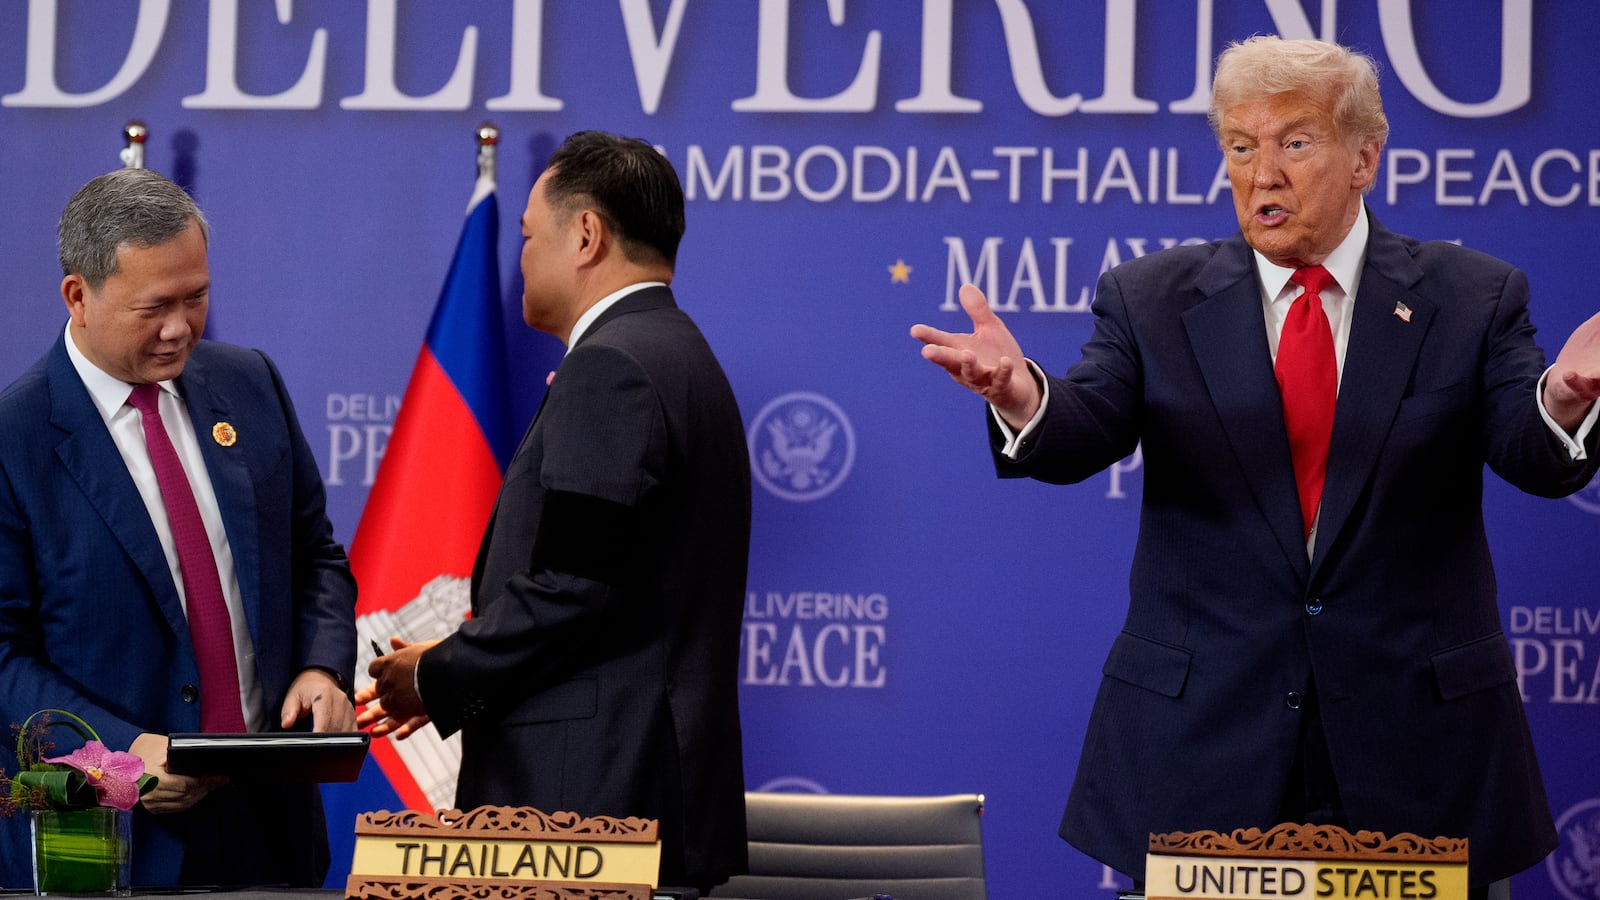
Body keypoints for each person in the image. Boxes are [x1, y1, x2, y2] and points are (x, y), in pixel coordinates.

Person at [912, 36, 1600, 895]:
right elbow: (1084, 426)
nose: (1261, 173)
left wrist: (1565, 397)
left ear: (1364, 157)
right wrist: (1021, 395)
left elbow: (1528, 447)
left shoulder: (1471, 296)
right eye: (1240, 146)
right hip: (1202, 751)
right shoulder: (1150, 298)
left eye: (1294, 142)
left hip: (1419, 761)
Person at [358, 130, 752, 892]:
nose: (523, 258)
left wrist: (437, 673)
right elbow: (611, 584)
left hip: (586, 805)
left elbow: (575, 586)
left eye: (530, 235)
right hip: (631, 793)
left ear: (586, 234)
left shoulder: (612, 366)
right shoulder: (678, 351)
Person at [0, 168, 358, 888]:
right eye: (153, 307)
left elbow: (315, 554)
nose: (180, 328)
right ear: (78, 296)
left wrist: (322, 664)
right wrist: (120, 757)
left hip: (271, 826)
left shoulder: (249, 383)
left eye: (196, 298)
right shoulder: (16, 439)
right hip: (107, 840)